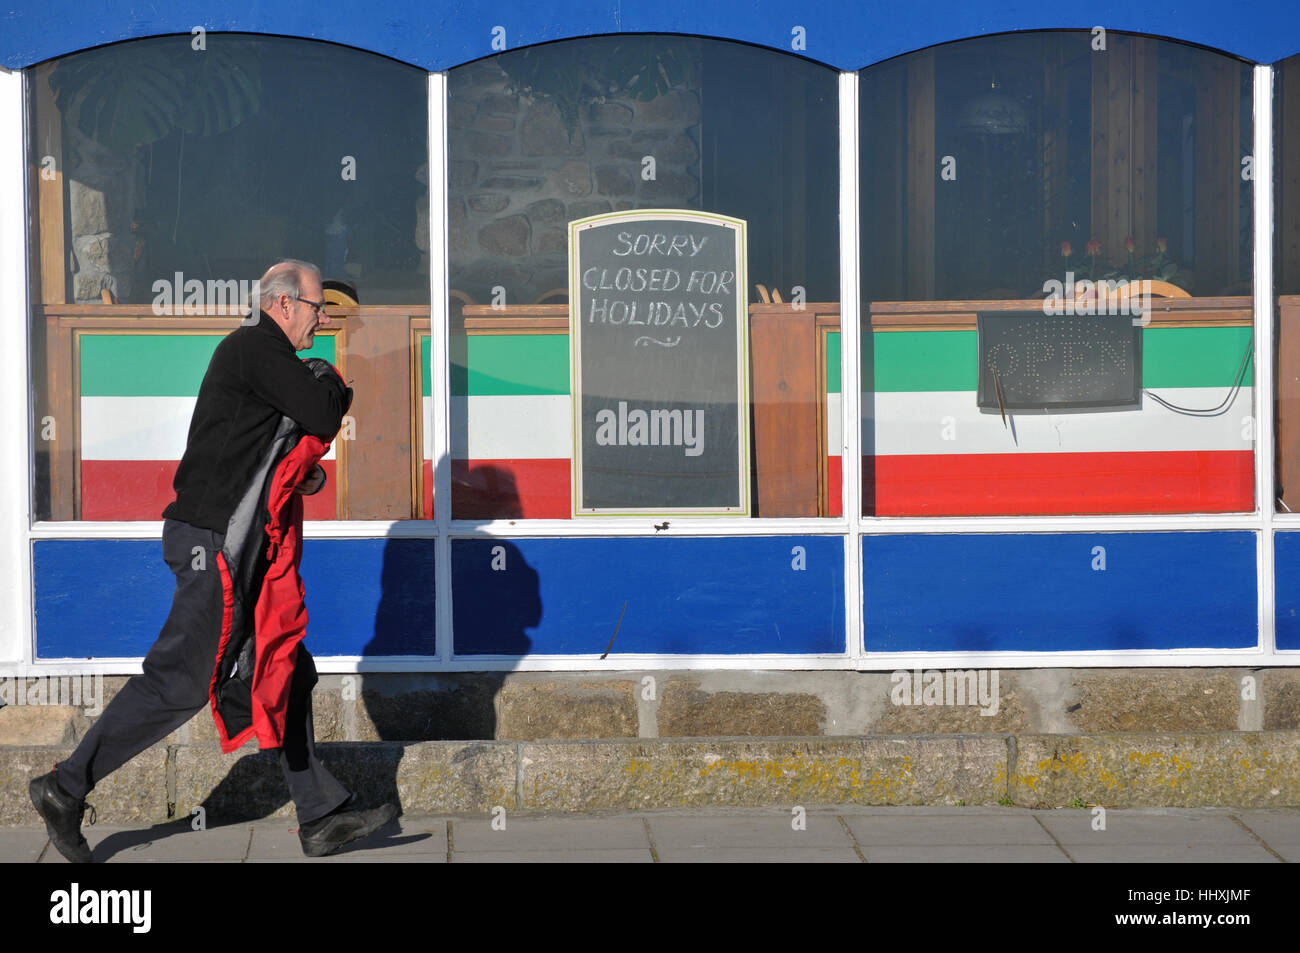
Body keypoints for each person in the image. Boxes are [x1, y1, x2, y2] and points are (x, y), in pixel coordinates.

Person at [29, 259, 396, 862]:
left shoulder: (265, 358)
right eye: (316, 306)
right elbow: (323, 411)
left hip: (228, 544)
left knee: (286, 668)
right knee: (179, 683)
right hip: (212, 547)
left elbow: (269, 452)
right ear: (282, 305)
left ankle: (319, 815)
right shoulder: (255, 347)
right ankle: (64, 788)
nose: (323, 318)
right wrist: (330, 380)